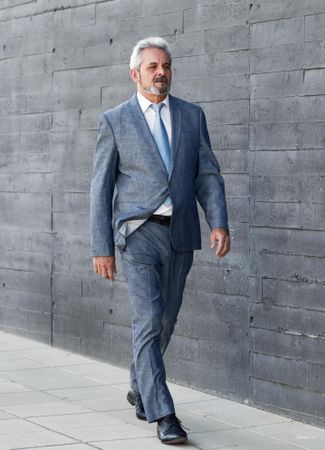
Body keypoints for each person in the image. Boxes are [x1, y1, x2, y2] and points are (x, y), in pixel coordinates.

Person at [89, 36, 230, 444]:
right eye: (152, 66)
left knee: (166, 321)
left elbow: (207, 174)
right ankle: (164, 413)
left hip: (182, 233)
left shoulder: (191, 115)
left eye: (166, 65)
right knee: (148, 319)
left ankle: (140, 383)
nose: (161, 72)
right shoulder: (115, 120)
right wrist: (101, 246)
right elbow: (100, 189)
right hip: (138, 235)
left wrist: (218, 221)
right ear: (136, 73)